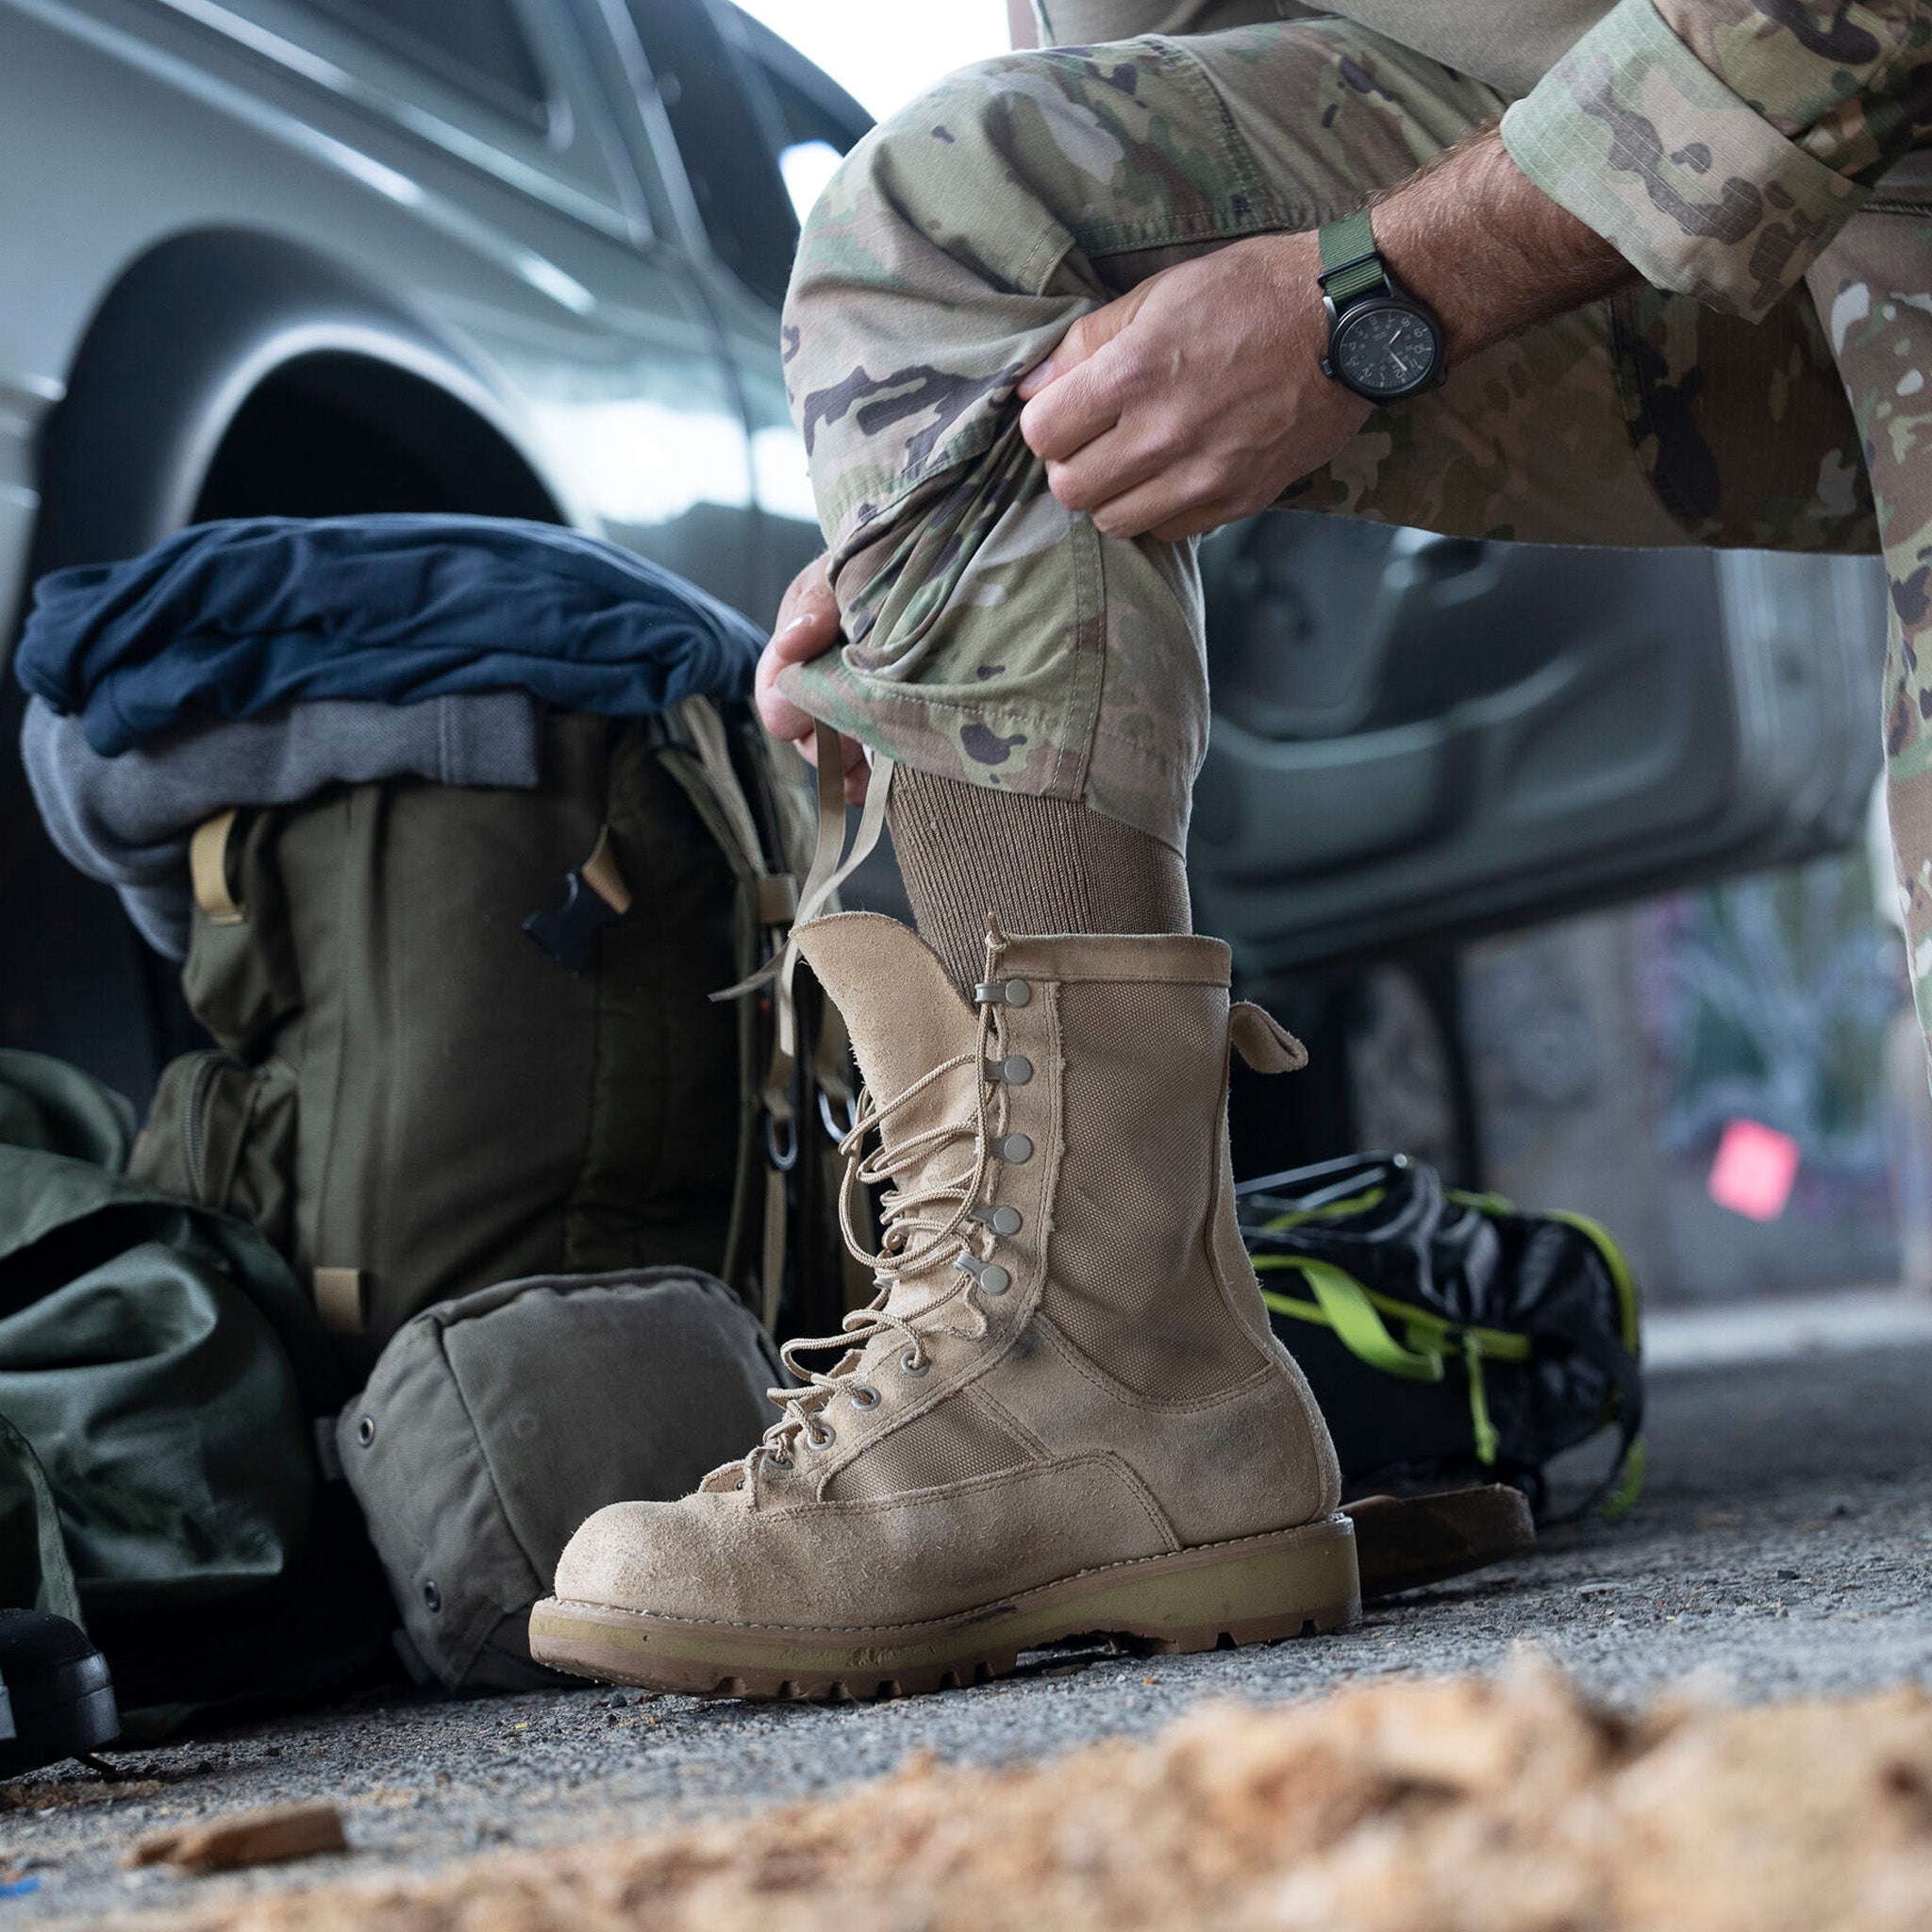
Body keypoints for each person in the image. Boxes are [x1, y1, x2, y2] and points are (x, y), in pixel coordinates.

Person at [527, 0, 1932, 1698]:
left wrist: (1379, 293)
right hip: (1638, 189)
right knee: (966, 218)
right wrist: (931, 503)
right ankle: (1104, 1372)